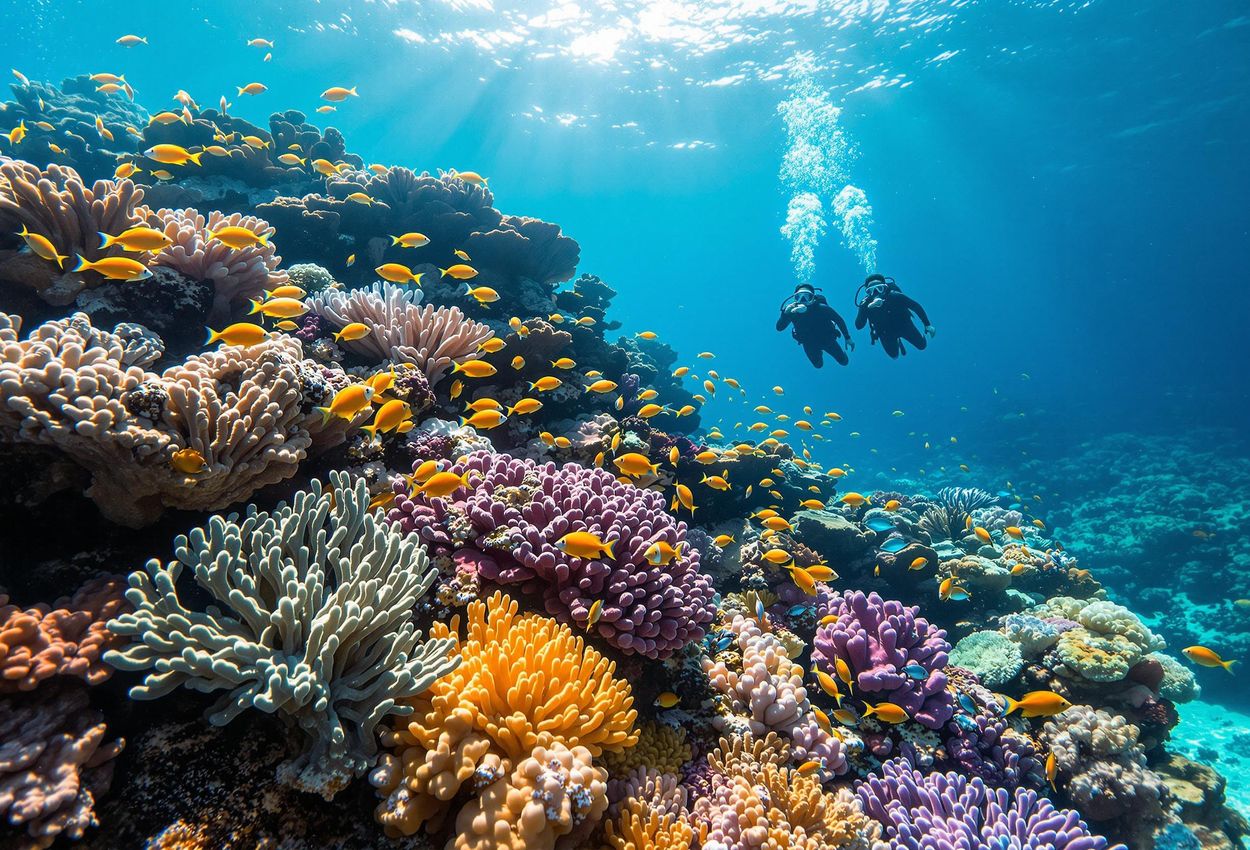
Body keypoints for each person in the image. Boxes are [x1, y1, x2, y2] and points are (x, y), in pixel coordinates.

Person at [853, 274, 934, 359]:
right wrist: (864, 308)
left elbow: (915, 306)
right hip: (885, 332)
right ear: (868, 293)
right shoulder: (865, 304)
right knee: (894, 355)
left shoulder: (895, 296)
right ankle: (898, 342)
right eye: (871, 291)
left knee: (922, 346)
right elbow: (859, 326)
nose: (876, 292)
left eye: (880, 288)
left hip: (905, 326)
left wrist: (927, 325)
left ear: (885, 287)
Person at [776, 283, 853, 368]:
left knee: (844, 362)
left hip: (828, 339)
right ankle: (820, 354)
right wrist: (785, 314)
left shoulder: (822, 308)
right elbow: (779, 328)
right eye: (799, 297)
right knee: (818, 365)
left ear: (813, 298)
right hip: (809, 343)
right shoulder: (792, 312)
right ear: (795, 298)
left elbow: (839, 320)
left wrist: (848, 338)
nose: (803, 299)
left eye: (807, 296)